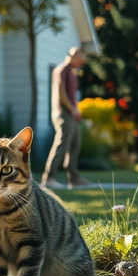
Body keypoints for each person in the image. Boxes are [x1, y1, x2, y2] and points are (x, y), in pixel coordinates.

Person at [42, 47, 92, 189]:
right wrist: (72, 109)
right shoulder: (62, 69)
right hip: (63, 113)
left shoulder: (72, 72)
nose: (81, 63)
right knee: (62, 144)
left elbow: (72, 95)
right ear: (73, 56)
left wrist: (76, 110)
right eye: (80, 60)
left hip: (71, 113)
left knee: (75, 145)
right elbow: (61, 92)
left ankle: (74, 178)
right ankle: (49, 177)